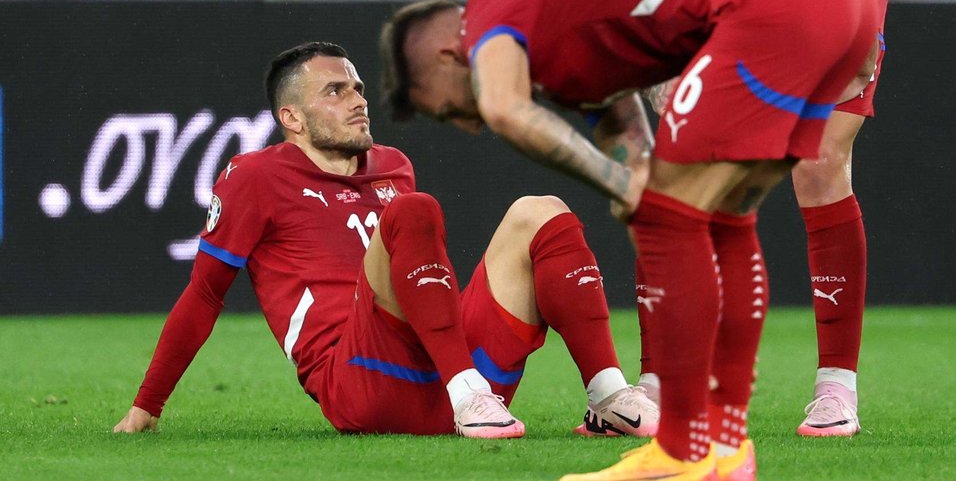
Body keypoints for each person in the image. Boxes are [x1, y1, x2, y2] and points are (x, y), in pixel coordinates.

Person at [378, 0, 878, 481]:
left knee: (670, 215)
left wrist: (622, 186)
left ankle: (687, 446)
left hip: (779, 0)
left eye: (445, 110)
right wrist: (630, 175)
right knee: (723, 215)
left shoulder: (492, 10)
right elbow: (620, 126)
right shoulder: (569, 37)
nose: (467, 126)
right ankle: (722, 448)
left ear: (445, 57)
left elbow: (506, 109)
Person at [508, 0, 890, 438]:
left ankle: (837, 388)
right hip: (721, 4)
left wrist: (861, 54)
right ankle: (657, 388)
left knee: (818, 164)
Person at [113, 41, 657, 440]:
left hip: (456, 376)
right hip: (361, 383)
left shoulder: (393, 166)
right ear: (292, 118)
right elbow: (205, 293)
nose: (357, 100)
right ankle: (468, 395)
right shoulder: (254, 176)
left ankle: (606, 394)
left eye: (357, 88)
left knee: (541, 212)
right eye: (335, 91)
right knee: (412, 212)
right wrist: (146, 406)